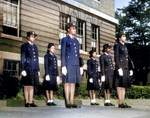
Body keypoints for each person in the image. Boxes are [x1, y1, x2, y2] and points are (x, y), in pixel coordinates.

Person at [61, 22, 83, 108]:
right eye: (72, 28)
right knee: (67, 83)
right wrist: (63, 65)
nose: (74, 30)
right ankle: (67, 102)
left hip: (75, 64)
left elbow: (78, 54)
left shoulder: (76, 41)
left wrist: (80, 65)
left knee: (73, 83)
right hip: (68, 63)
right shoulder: (64, 40)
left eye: (75, 28)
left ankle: (71, 101)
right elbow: (63, 53)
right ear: (68, 29)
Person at [21, 31, 40, 107]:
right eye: (32, 36)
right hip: (27, 68)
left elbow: (37, 59)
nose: (33, 38)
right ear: (28, 37)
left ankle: (31, 101)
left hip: (34, 68)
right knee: (26, 85)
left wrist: (38, 69)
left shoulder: (35, 47)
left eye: (34, 36)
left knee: (32, 85)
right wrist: (22, 69)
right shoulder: (24, 46)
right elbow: (22, 58)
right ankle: (27, 102)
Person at [114, 34, 133, 108]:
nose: (124, 38)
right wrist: (119, 68)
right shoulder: (117, 45)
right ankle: (120, 102)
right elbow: (116, 57)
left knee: (124, 85)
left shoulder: (125, 47)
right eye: (123, 36)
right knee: (119, 85)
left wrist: (130, 68)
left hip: (125, 67)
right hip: (120, 67)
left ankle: (122, 101)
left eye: (125, 36)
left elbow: (128, 58)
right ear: (119, 38)